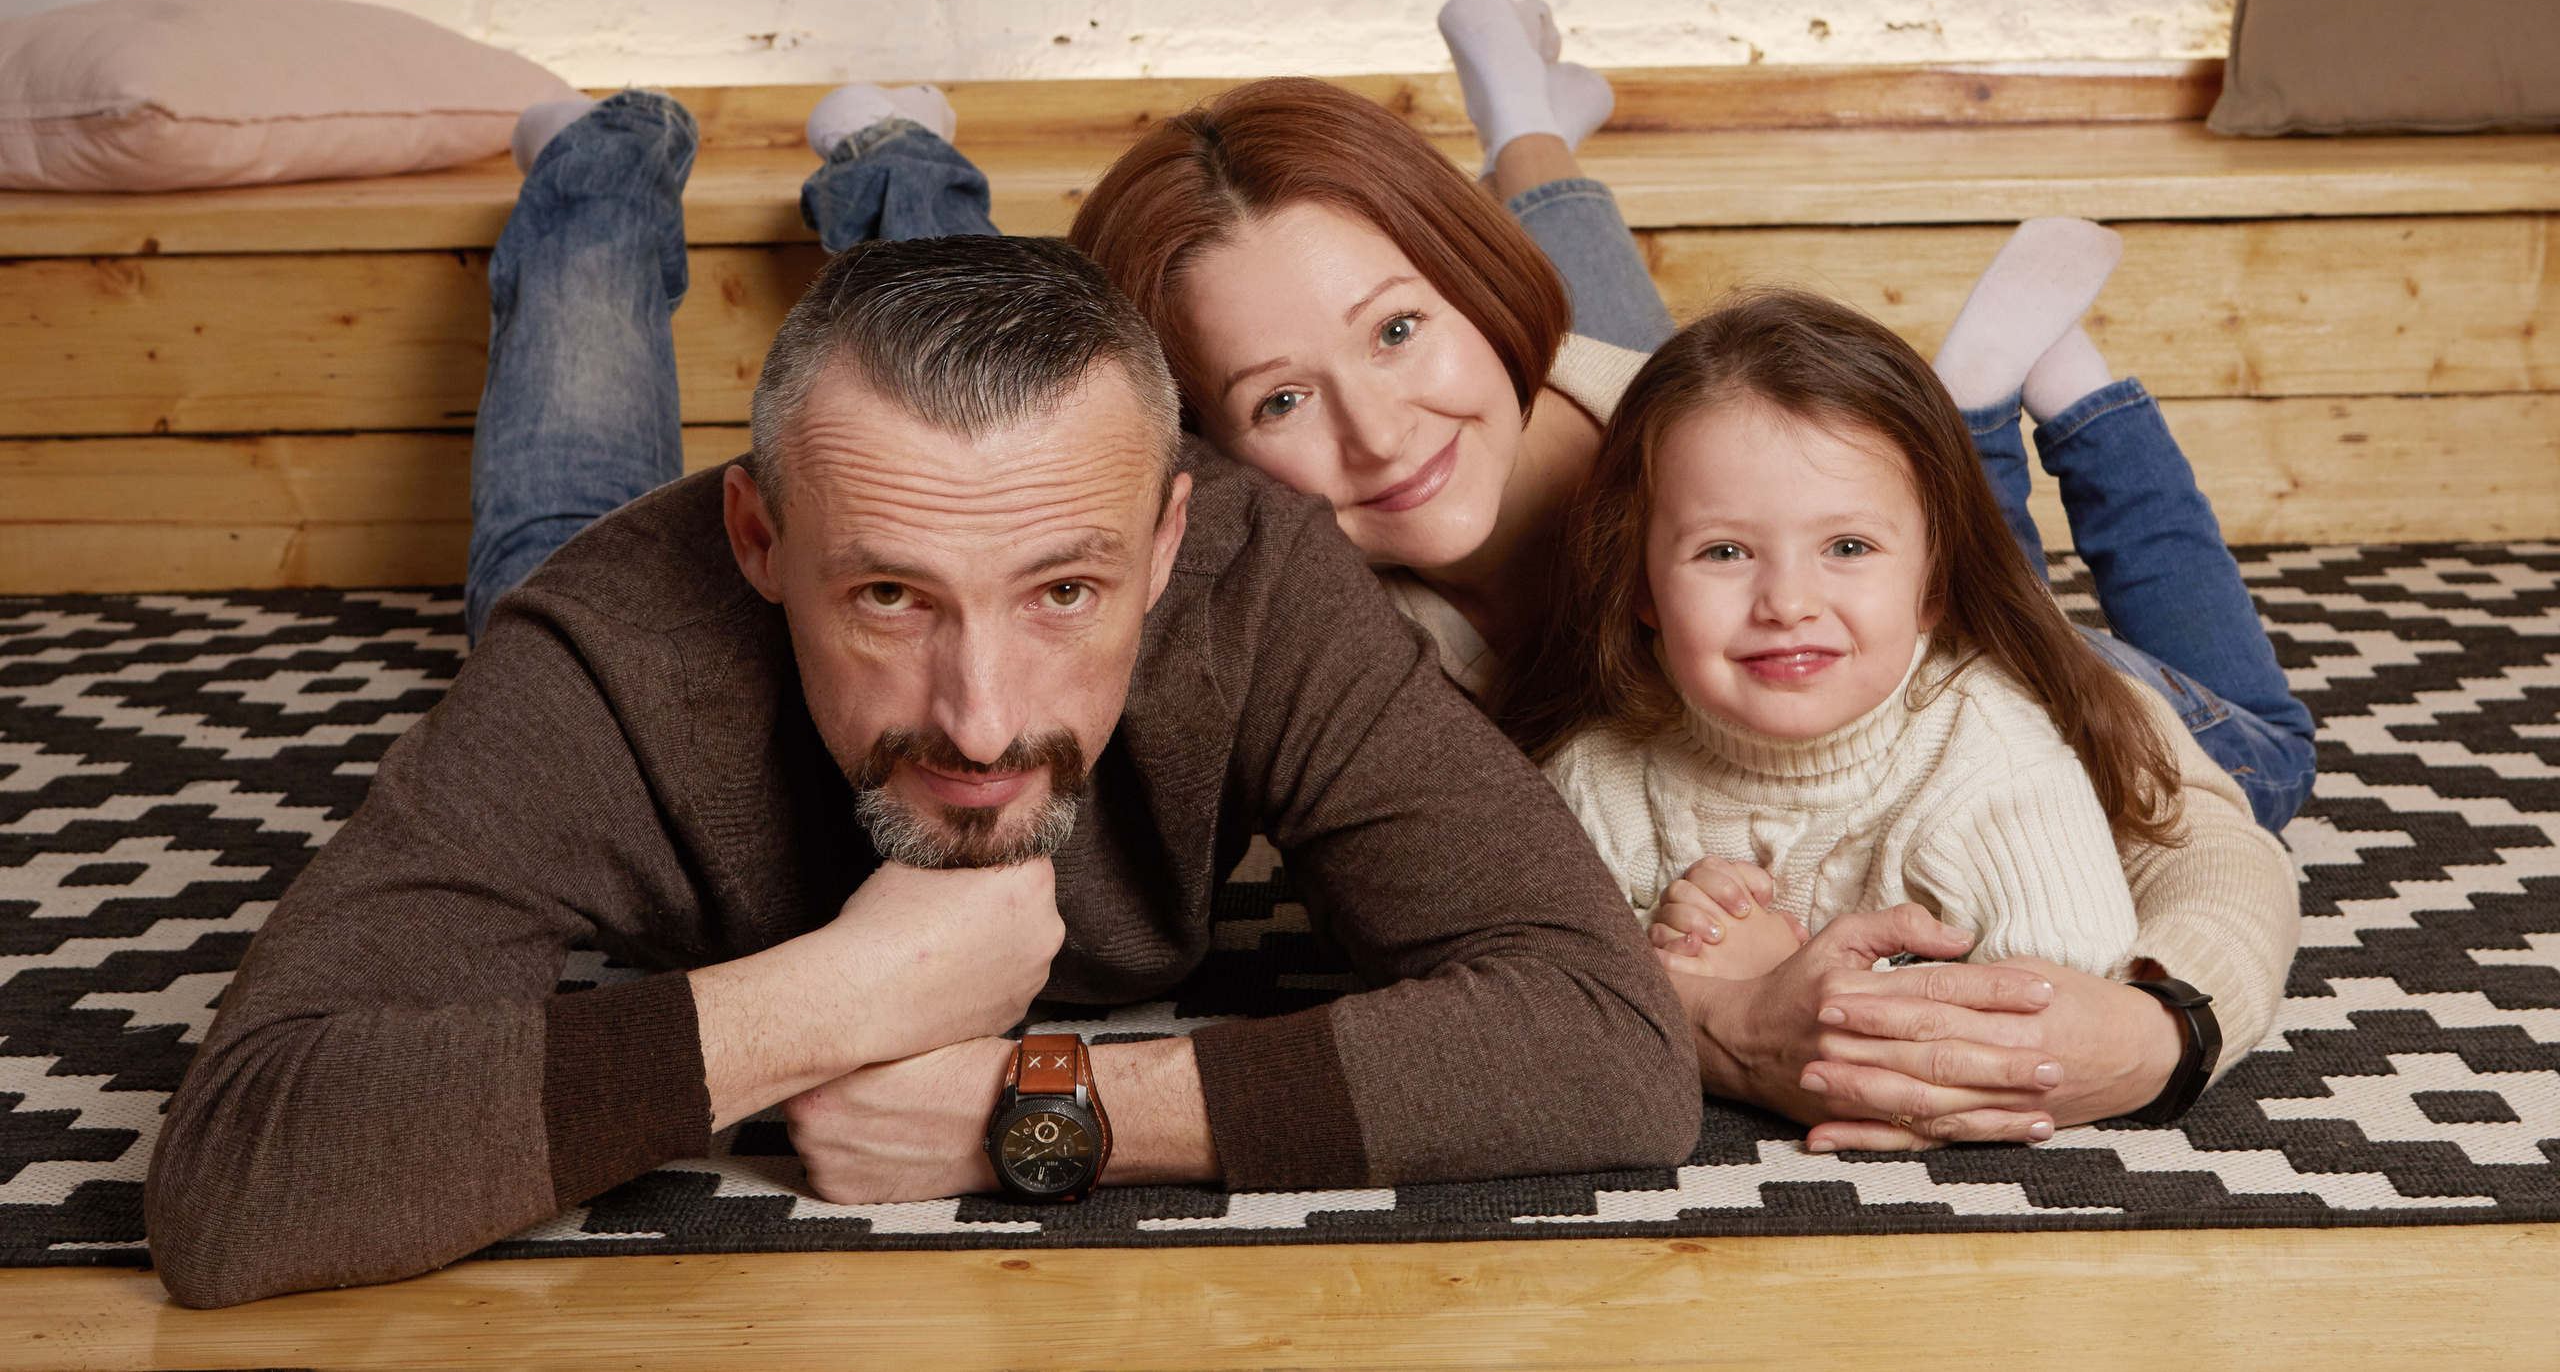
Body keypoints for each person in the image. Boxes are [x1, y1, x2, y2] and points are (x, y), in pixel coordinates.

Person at [142, 93, 1699, 1308]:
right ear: (762, 539)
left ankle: (893, 159)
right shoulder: (604, 656)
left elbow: (1606, 1042)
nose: (975, 717)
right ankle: (591, 183)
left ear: (1166, 539)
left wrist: (1058, 1103)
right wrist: (825, 1002)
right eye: (891, 595)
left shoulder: (1257, 570)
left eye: (1064, 593)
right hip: (625, 589)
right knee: (546, 516)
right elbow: (240, 1171)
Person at [1061, 0, 2303, 1150]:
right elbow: (1430, 954)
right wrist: (1720, 1016)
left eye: (1399, 328)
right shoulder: (1296, 619)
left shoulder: (1783, 511)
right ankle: (1533, 125)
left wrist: (2159, 1033)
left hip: (1663, 428)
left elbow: (2191, 826)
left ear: (1475, 293)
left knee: (2261, 758)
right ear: (1209, 457)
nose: (1381, 435)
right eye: (1278, 398)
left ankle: (1533, 138)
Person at [1507, 289, 2224, 994]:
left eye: (1847, 545)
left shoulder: (1998, 766)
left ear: (1934, 585)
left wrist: (1780, 979)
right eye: (1724, 552)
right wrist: (1676, 942)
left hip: (2188, 721)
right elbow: (1544, 970)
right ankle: (1977, 413)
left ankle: (2076, 403)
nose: (1787, 603)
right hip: (1914, 634)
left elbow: (2066, 989)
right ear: (1639, 584)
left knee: (2263, 724)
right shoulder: (1599, 775)